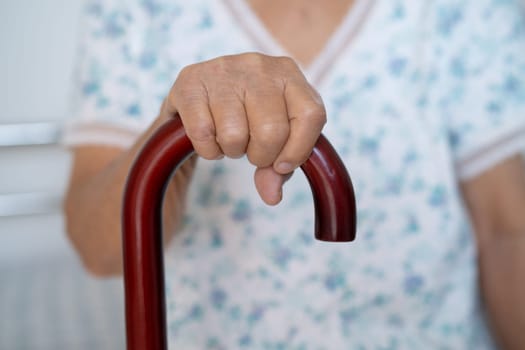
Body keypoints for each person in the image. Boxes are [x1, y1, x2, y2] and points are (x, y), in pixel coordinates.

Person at [62, 0, 525, 348]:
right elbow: (100, 251)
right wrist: (176, 131)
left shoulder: (458, 11)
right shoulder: (138, 11)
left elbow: (507, 231)